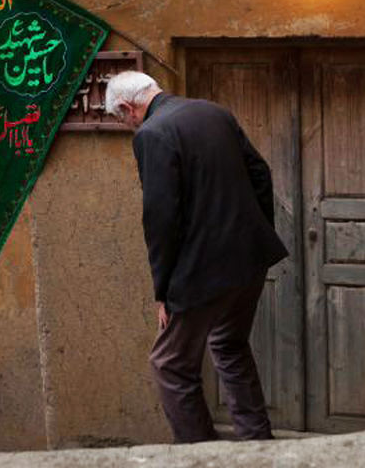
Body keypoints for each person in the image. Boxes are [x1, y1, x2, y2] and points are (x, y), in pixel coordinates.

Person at [105, 70, 289, 443]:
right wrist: (256, 233)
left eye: (120, 119)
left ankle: (199, 453)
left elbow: (160, 218)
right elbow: (261, 174)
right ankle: (259, 447)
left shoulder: (152, 134)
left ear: (128, 107)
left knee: (170, 365)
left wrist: (164, 290)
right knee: (229, 345)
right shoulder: (213, 112)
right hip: (249, 262)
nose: (126, 127)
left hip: (201, 274)